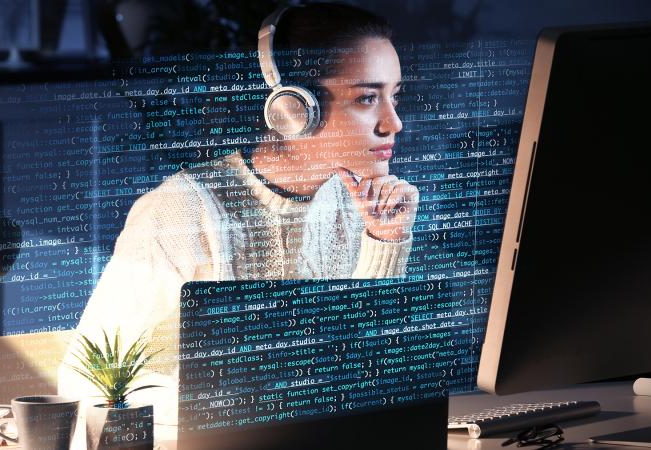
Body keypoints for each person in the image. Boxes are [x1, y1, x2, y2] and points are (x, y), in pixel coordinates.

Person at [58, 3, 418, 426]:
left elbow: (361, 368)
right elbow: (84, 382)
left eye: (394, 96)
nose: (393, 123)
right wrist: (240, 409)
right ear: (294, 107)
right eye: (367, 98)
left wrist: (385, 241)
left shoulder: (363, 205)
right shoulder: (181, 209)